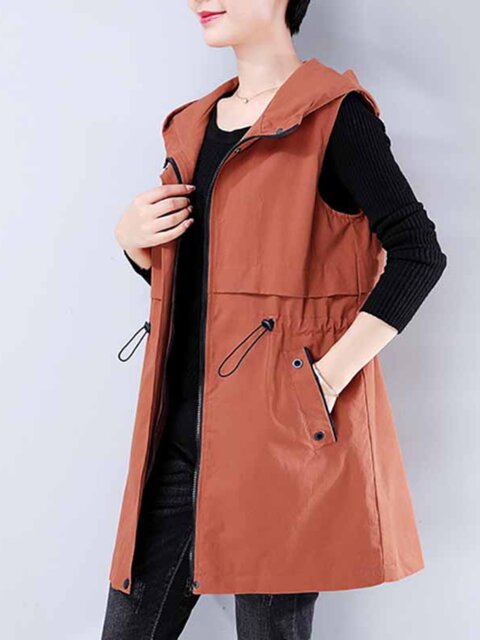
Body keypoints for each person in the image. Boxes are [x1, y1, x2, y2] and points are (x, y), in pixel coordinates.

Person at [101, 1, 447, 638]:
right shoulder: (193, 127)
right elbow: (209, 292)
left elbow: (418, 253)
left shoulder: (334, 115)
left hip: (279, 447)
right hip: (175, 443)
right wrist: (133, 246)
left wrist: (325, 381)